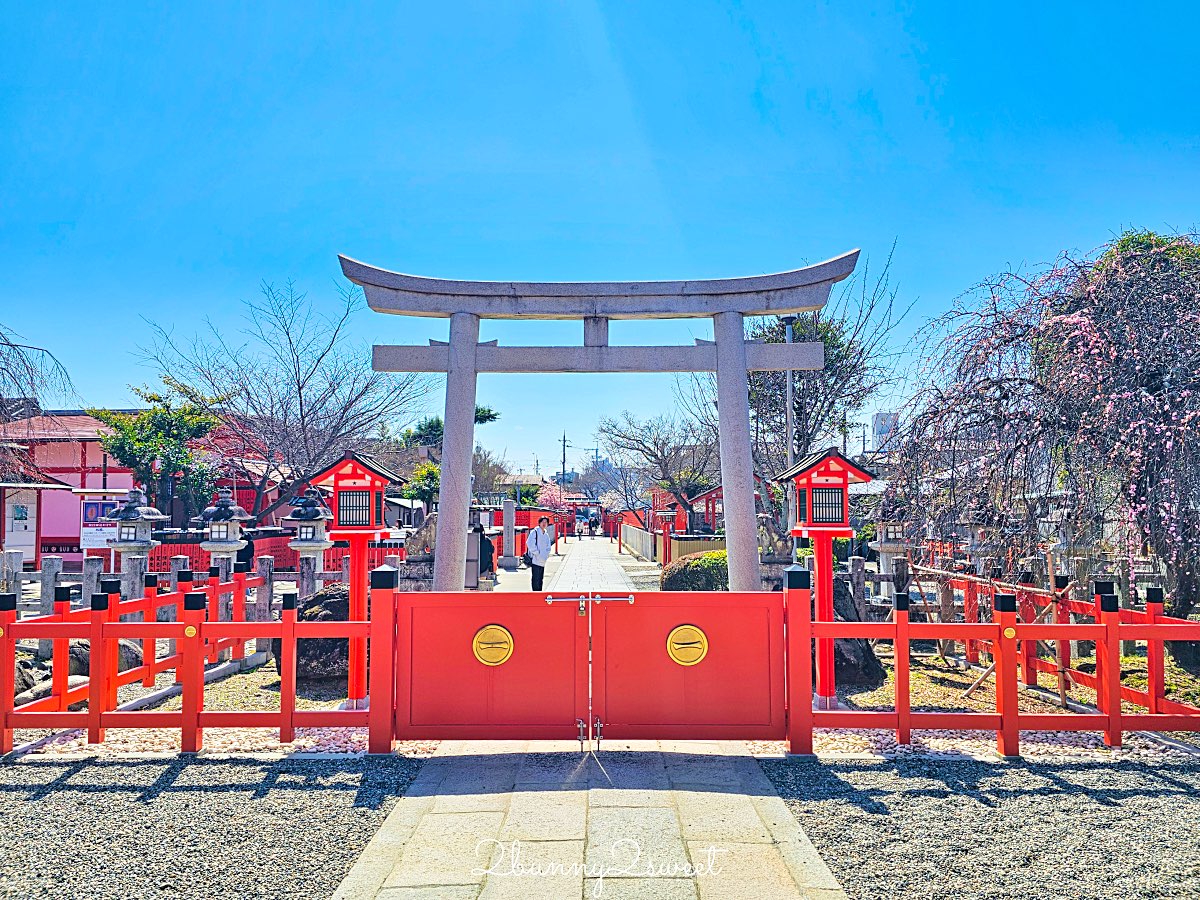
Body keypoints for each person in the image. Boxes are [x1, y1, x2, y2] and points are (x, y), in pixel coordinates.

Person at [527, 515, 554, 592]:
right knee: (535, 577)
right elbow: (530, 543)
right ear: (539, 523)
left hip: (543, 559)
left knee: (540, 578)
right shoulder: (534, 532)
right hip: (535, 559)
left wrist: (545, 555)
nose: (544, 524)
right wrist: (537, 553)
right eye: (543, 522)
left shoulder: (546, 534)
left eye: (546, 522)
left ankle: (539, 592)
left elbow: (548, 546)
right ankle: (535, 593)